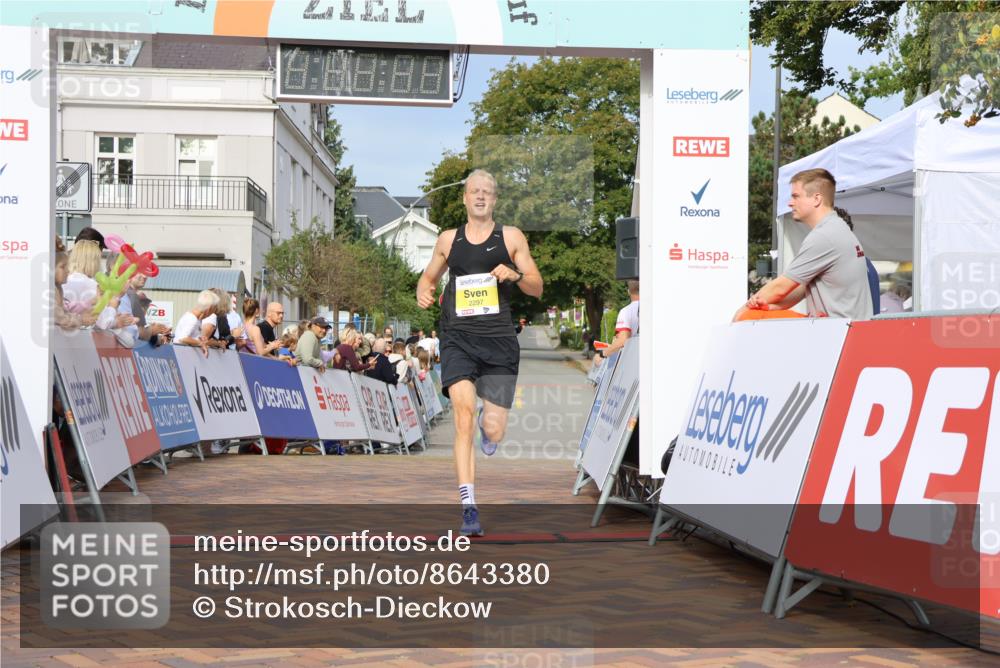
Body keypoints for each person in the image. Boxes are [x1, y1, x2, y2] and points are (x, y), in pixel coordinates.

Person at [416, 168, 543, 536]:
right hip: (457, 337)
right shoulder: (447, 240)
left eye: (487, 191)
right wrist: (423, 291)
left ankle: (492, 432)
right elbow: (428, 278)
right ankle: (468, 506)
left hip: (499, 342)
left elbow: (537, 287)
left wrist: (516, 276)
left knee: (493, 428)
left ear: (495, 199)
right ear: (465, 198)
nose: (481, 196)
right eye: (475, 191)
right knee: (463, 415)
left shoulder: (512, 238)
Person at [733, 168, 872, 322]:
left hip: (840, 333)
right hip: (848, 330)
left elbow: (780, 288)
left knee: (748, 316)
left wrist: (743, 310)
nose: (790, 202)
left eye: (796, 196)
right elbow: (801, 286)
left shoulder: (824, 236)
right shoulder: (837, 227)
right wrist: (775, 306)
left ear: (816, 199)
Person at [595, 279, 638, 366]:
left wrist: (602, 355)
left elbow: (622, 340)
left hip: (633, 365)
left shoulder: (626, 312)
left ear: (628, 291)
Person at [173, 290, 219, 356]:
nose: (213, 313)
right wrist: (200, 343)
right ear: (209, 308)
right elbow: (182, 338)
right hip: (182, 354)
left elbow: (191, 336)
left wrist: (200, 339)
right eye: (214, 310)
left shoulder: (197, 320)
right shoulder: (192, 319)